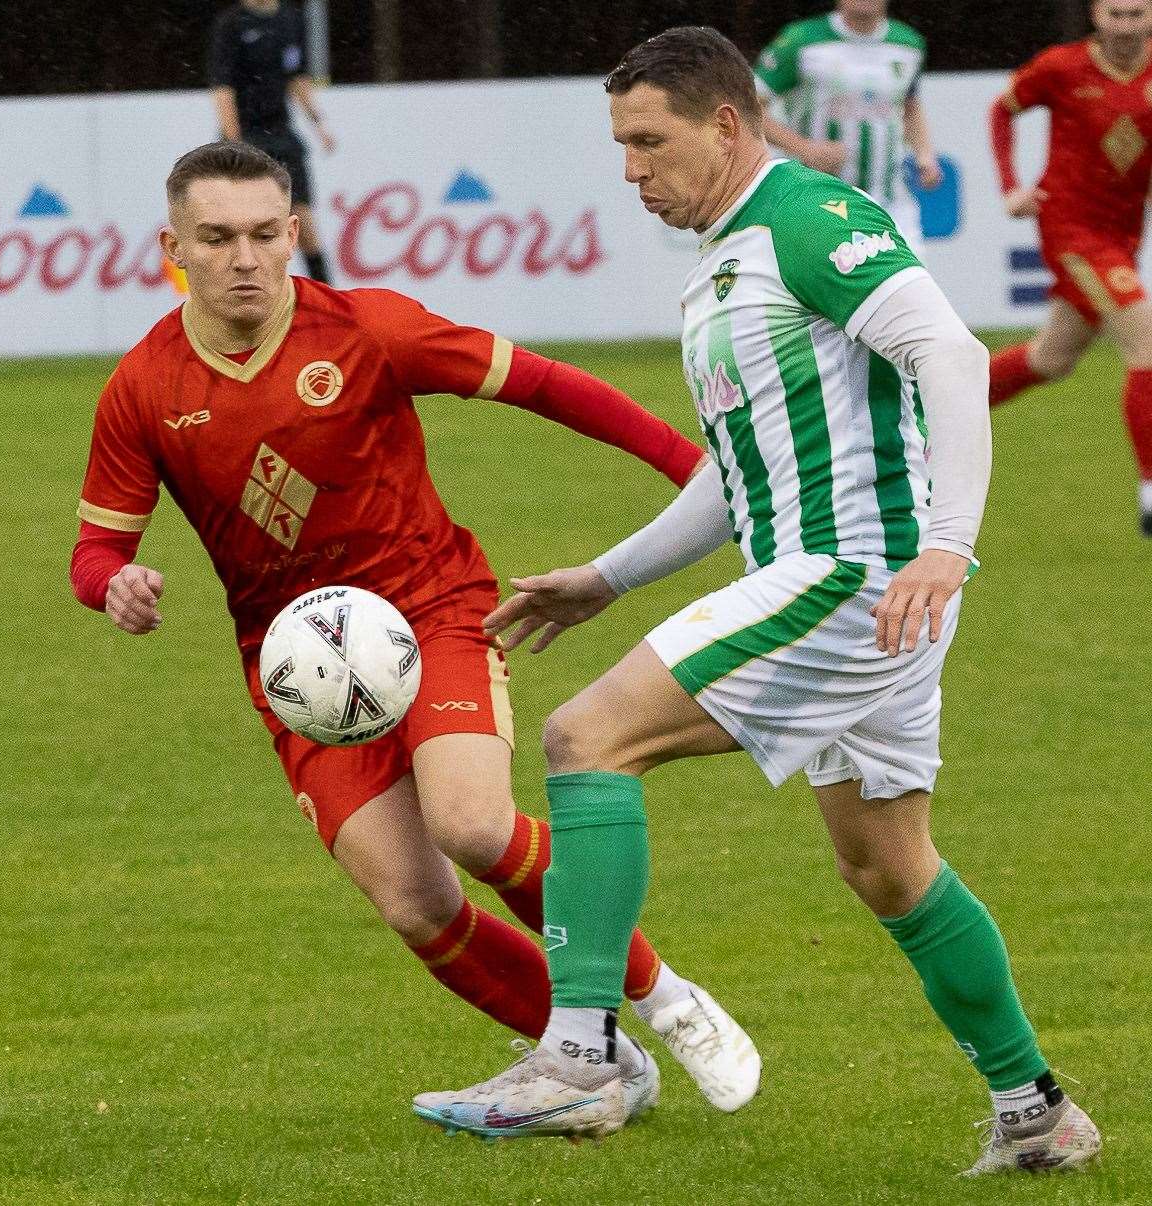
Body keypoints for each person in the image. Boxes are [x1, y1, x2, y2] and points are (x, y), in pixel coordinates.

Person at [412, 27, 1102, 1176]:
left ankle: (577, 1057)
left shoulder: (808, 221)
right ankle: (1035, 1113)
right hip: (848, 588)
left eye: (649, 141)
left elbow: (947, 353)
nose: (630, 169)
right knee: (886, 866)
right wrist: (607, 577)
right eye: (619, 144)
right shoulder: (725, 264)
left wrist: (948, 545)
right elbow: (732, 478)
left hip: (848, 576)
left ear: (726, 125)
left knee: (586, 739)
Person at [69, 140, 763, 1119]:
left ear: (293, 234)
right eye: (216, 238)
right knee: (413, 901)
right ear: (172, 246)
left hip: (427, 610)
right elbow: (93, 552)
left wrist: (696, 471)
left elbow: (545, 384)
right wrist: (116, 587)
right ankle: (592, 1067)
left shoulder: (366, 331)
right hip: (298, 669)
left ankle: (664, 1000)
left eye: (265, 234)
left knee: (472, 823)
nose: (244, 258)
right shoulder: (143, 387)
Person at [988, 0, 1152, 537]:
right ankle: (1151, 488)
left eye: (1138, 14)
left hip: (1124, 233)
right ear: (1096, 16)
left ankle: (928, 412)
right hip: (1071, 229)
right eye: (1116, 13)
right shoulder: (1061, 67)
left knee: (1051, 357)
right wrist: (1011, 186)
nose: (1126, 25)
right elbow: (1002, 110)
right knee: (1145, 340)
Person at [753, 0, 941, 258]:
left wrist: (924, 155)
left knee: (911, 292)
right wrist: (804, 148)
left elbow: (910, 105)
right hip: (817, 202)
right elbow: (750, 107)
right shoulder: (802, 40)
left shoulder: (908, 43)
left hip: (889, 203)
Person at [209, 0, 336, 284]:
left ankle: (330, 299)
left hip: (281, 134)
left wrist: (318, 124)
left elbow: (296, 77)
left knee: (303, 219)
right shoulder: (231, 24)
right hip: (247, 136)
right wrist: (234, 143)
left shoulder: (290, 20)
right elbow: (223, 87)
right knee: (245, 223)